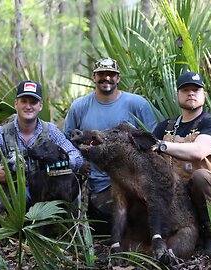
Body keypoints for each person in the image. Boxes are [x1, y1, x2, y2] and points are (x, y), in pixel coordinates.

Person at [62, 57, 160, 237]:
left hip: (133, 183)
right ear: (94, 77)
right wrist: (79, 161)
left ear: (118, 78)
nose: (106, 78)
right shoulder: (80, 106)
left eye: (111, 74)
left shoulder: (137, 104)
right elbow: (66, 141)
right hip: (98, 186)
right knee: (105, 228)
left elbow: (154, 140)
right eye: (101, 74)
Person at [152, 71, 211, 255]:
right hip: (172, 194)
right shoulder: (165, 127)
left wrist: (161, 145)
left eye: (196, 89)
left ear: (204, 94)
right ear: (177, 95)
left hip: (203, 193)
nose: (191, 93)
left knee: (201, 176)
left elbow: (199, 152)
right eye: (185, 90)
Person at [0, 79, 84, 207]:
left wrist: (61, 162)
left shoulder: (51, 131)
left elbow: (77, 158)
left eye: (33, 102)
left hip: (45, 198)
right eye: (24, 101)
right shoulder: (1, 134)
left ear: (40, 106)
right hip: (13, 200)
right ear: (16, 103)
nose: (28, 106)